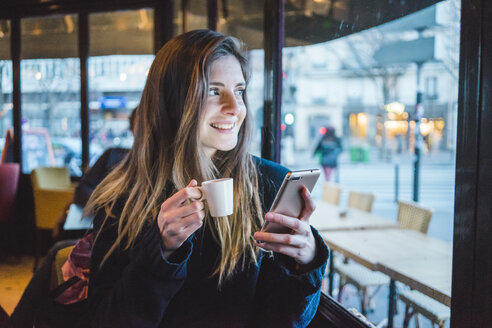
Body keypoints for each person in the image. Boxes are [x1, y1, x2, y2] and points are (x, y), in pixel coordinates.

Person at [81, 29, 329, 328]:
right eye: (214, 91)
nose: (235, 108)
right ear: (172, 100)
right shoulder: (123, 197)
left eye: (239, 90)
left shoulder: (271, 183)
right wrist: (160, 253)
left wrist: (306, 262)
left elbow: (285, 320)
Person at [73, 108, 137, 208]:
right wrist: (106, 205)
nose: (145, 130)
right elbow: (82, 190)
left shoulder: (158, 166)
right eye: (140, 123)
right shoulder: (112, 154)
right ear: (132, 126)